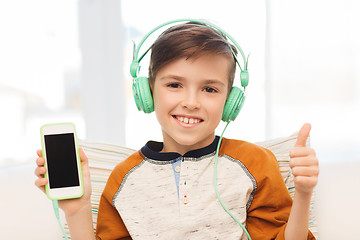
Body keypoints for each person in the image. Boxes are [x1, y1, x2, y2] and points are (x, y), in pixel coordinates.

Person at [35, 20, 319, 240]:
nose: (191, 102)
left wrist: (303, 193)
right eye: (174, 85)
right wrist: (77, 210)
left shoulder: (256, 163)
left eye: (209, 88)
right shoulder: (123, 179)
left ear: (231, 101)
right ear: (146, 92)